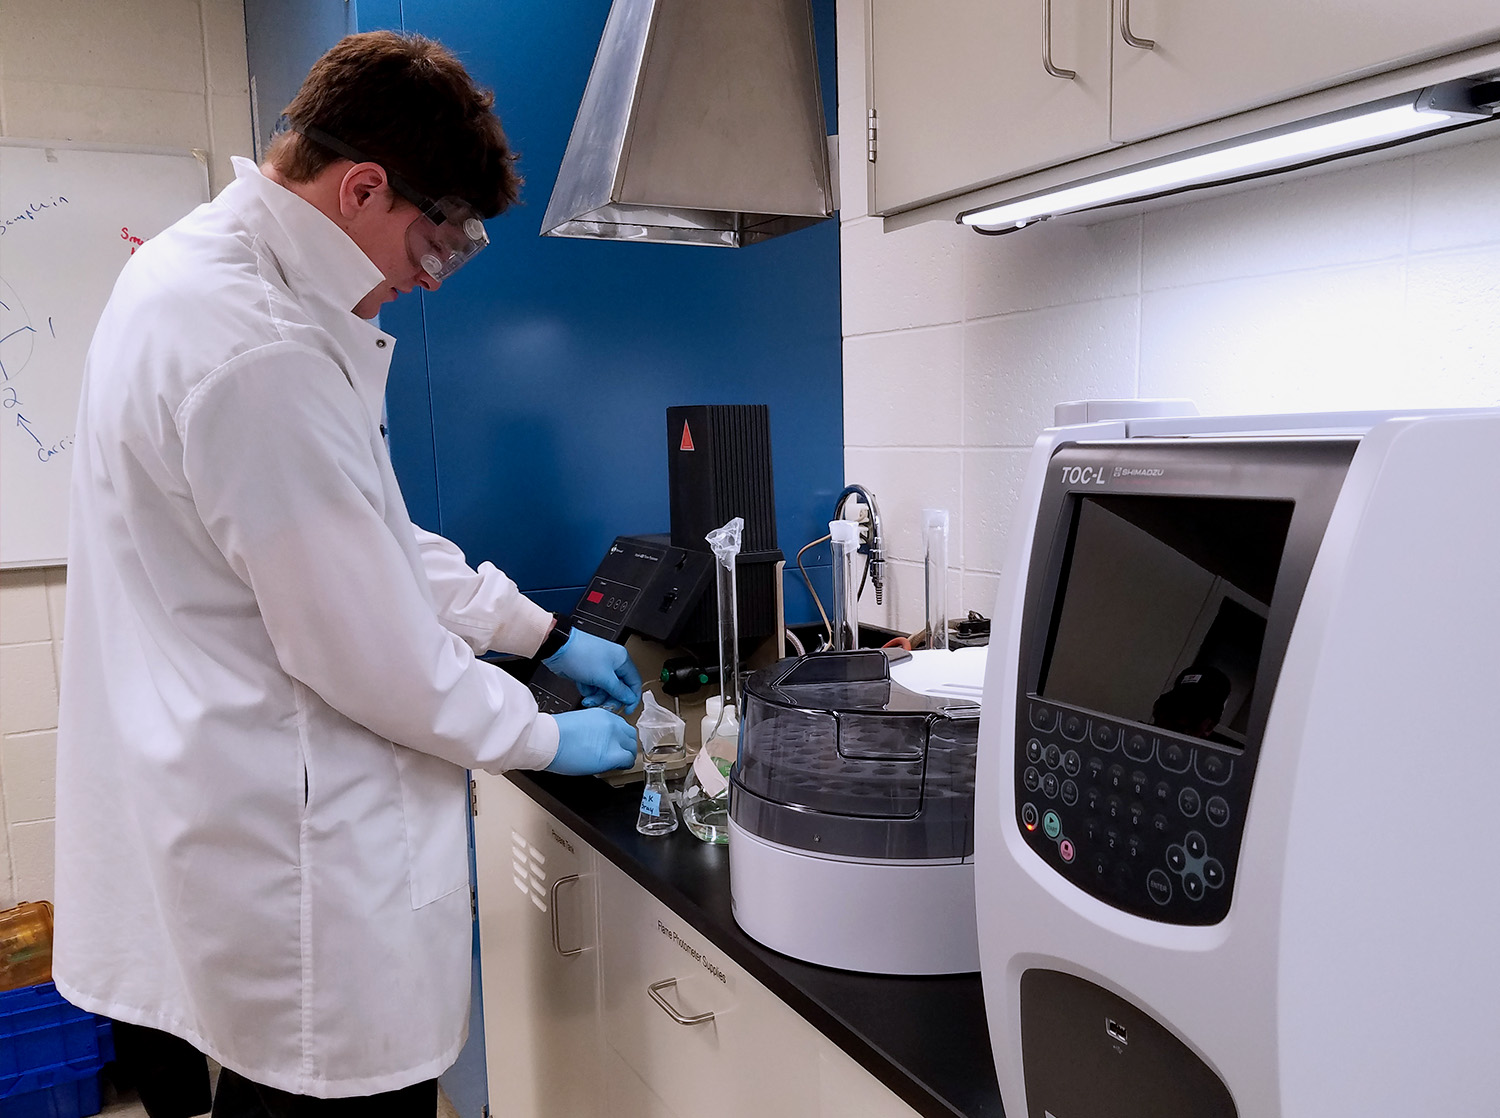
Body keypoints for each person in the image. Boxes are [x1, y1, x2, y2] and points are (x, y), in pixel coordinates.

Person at [52, 31, 641, 1117]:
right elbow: (371, 651)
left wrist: (540, 634)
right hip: (301, 861)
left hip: (238, 814)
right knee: (331, 1094)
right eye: (434, 246)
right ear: (364, 187)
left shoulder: (200, 276)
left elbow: (358, 532)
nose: (423, 282)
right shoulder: (259, 345)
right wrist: (547, 734)